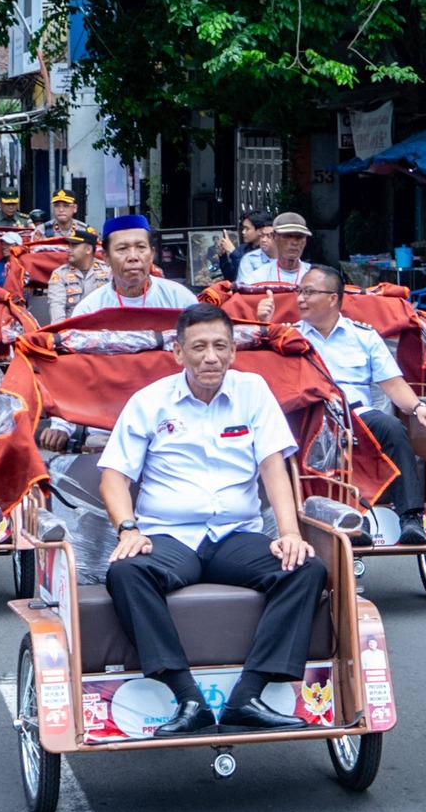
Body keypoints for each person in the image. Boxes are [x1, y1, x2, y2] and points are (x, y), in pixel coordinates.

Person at [99, 302, 325, 737]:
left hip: (234, 536)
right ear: (178, 352)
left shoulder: (253, 391)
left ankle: (250, 696)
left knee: (305, 567)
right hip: (169, 537)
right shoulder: (150, 402)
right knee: (127, 572)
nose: (211, 357)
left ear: (234, 351)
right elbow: (114, 477)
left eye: (221, 346)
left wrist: (291, 532)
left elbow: (273, 467)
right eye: (199, 347)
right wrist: (128, 529)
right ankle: (187, 699)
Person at [294, 264, 426, 545]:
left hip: (358, 415)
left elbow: (393, 384)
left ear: (332, 298)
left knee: (392, 428)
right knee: (330, 440)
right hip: (313, 418)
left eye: (309, 292)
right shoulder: (290, 338)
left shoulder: (363, 335)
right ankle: (353, 517)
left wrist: (418, 407)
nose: (300, 299)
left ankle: (411, 518)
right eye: (299, 292)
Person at [71, 214, 198, 314]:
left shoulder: (180, 300)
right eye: (122, 249)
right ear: (106, 258)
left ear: (152, 253)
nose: (133, 257)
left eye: (141, 247)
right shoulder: (89, 309)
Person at [45, 229, 109, 322]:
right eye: (69, 246)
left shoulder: (107, 271)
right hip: (72, 330)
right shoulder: (60, 274)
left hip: (103, 328)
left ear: (88, 249)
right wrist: (62, 333)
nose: (69, 250)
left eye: (74, 246)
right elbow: (57, 308)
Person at [237, 211, 310, 288]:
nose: (295, 243)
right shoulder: (258, 277)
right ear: (274, 237)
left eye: (300, 237)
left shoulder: (315, 276)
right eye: (287, 236)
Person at [216, 211, 272, 283]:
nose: (243, 232)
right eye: (243, 228)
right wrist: (222, 256)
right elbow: (231, 277)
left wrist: (233, 251)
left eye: (247, 229)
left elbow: (250, 276)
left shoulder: (269, 250)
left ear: (260, 231)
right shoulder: (242, 248)